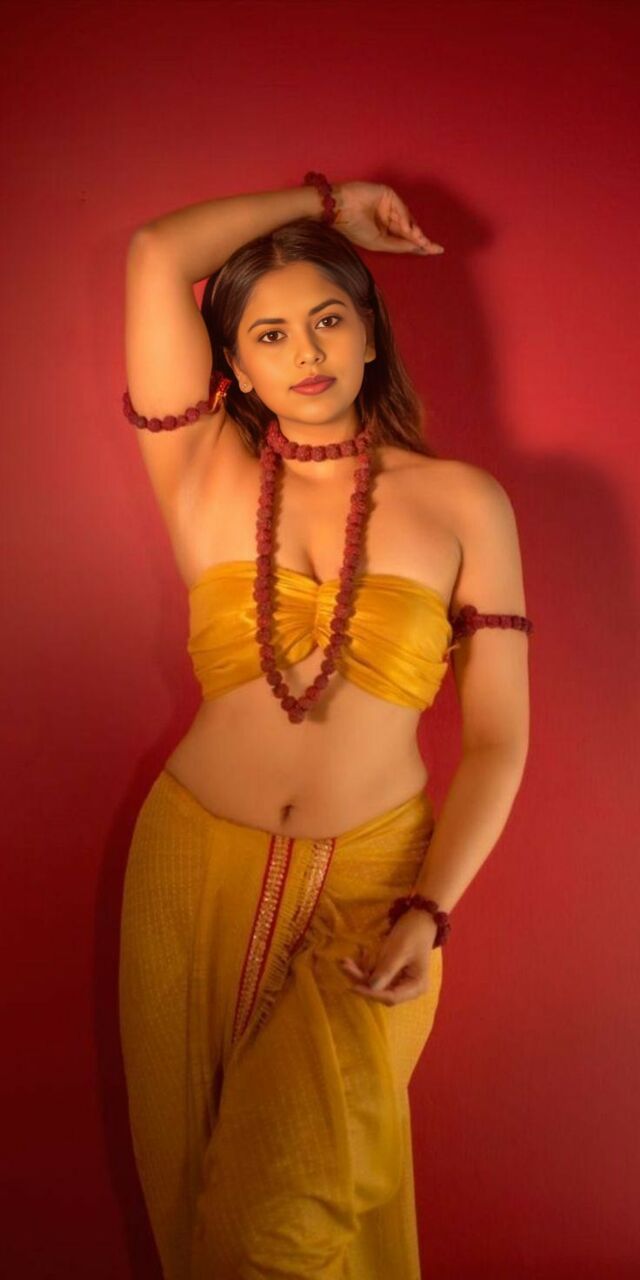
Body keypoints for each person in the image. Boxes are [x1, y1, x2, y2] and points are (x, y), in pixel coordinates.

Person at [118, 173, 532, 1280]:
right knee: (193, 1218)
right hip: (188, 868)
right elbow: (156, 250)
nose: (304, 351)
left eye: (329, 319)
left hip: (372, 888)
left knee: (274, 1229)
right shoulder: (200, 469)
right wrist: (328, 206)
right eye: (269, 334)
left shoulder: (465, 503)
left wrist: (429, 911)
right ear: (235, 364)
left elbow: (498, 738)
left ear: (369, 337)